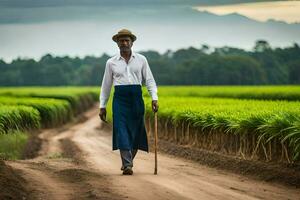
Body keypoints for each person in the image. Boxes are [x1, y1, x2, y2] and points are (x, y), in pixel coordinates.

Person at [99, 29, 159, 175]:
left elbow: (149, 80)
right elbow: (106, 85)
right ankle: (127, 164)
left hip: (136, 98)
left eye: (126, 40)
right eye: (121, 41)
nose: (124, 43)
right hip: (120, 99)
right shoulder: (111, 63)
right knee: (122, 130)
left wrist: (154, 97)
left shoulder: (141, 60)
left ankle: (128, 160)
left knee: (136, 131)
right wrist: (102, 106)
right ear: (117, 43)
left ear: (132, 42)